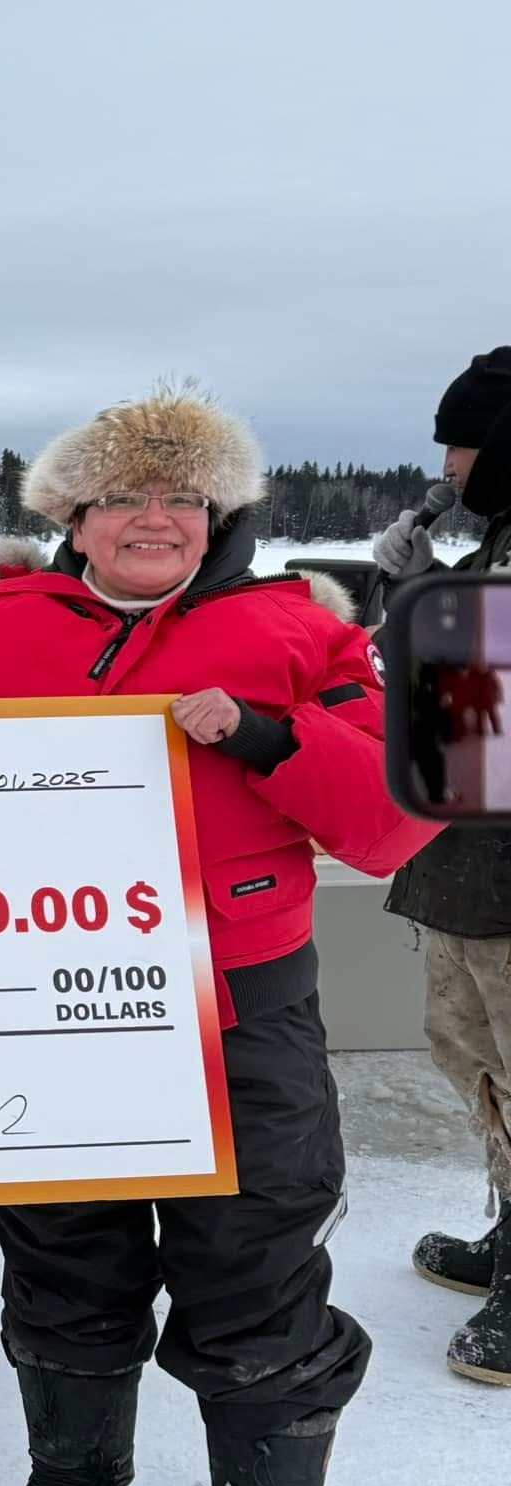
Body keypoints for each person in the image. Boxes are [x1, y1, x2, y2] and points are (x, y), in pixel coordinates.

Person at [0, 387, 438, 1486]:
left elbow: (386, 824)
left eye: (183, 496)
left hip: (240, 1015)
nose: (154, 518)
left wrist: (265, 735)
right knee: (64, 1257)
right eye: (124, 496)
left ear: (217, 515)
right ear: (73, 518)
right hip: (43, 1010)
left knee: (255, 1274)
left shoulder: (295, 633)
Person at [371, 345, 511, 1384]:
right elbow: (455, 714)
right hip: (468, 862)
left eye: (461, 443)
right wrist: (412, 601)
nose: (449, 465)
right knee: (476, 1057)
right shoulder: (495, 547)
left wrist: (430, 606)